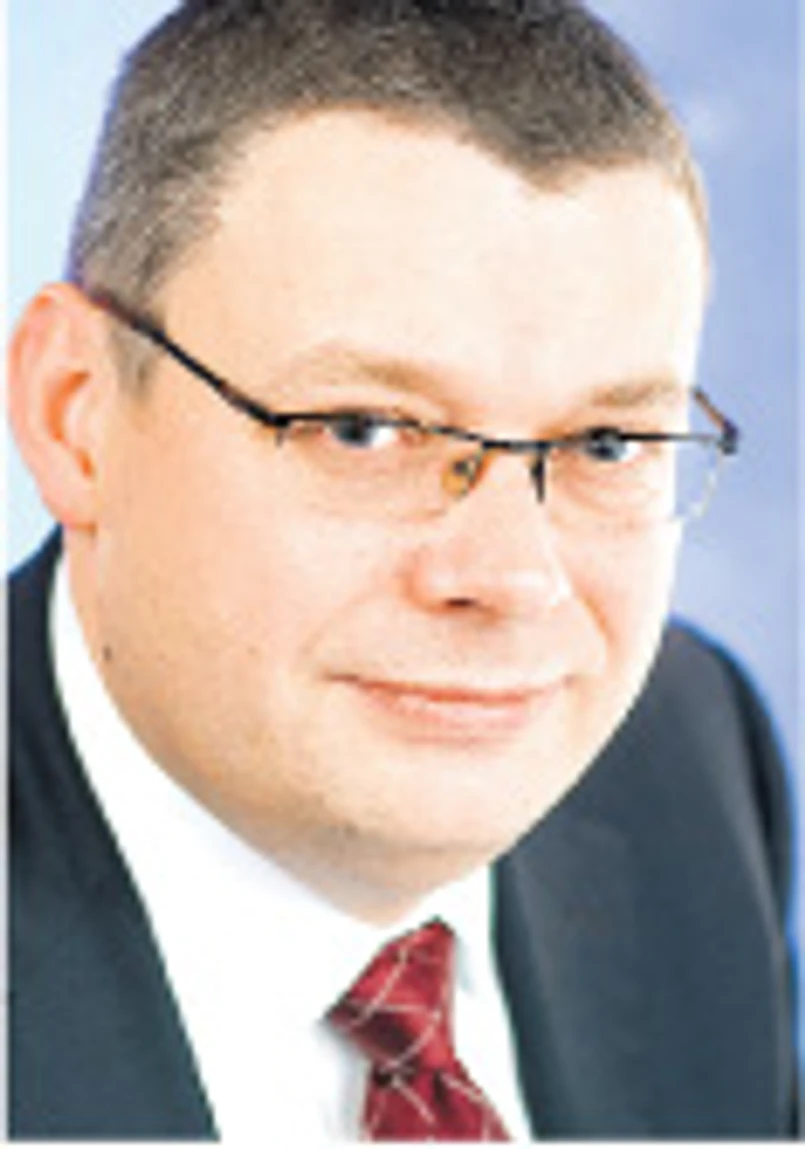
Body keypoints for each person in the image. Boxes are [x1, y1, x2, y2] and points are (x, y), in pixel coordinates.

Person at [7, 0, 798, 1139]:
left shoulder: (688, 761)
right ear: (75, 414)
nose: (511, 579)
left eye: (606, 443)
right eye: (366, 430)